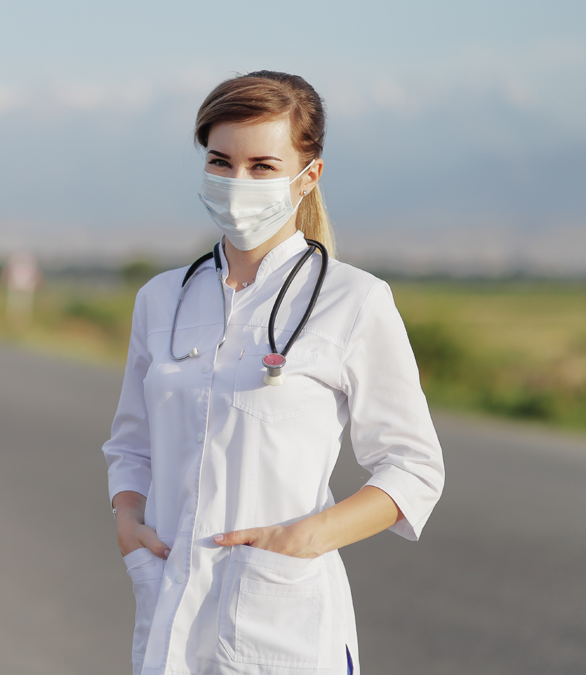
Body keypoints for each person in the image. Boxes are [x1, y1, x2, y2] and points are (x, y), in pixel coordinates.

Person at [101, 71, 445, 675]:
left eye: (262, 166)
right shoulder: (163, 300)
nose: (238, 182)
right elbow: (131, 443)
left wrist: (305, 540)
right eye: (221, 161)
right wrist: (128, 518)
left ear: (306, 178)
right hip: (168, 605)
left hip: (283, 623)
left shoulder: (352, 300)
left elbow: (414, 468)